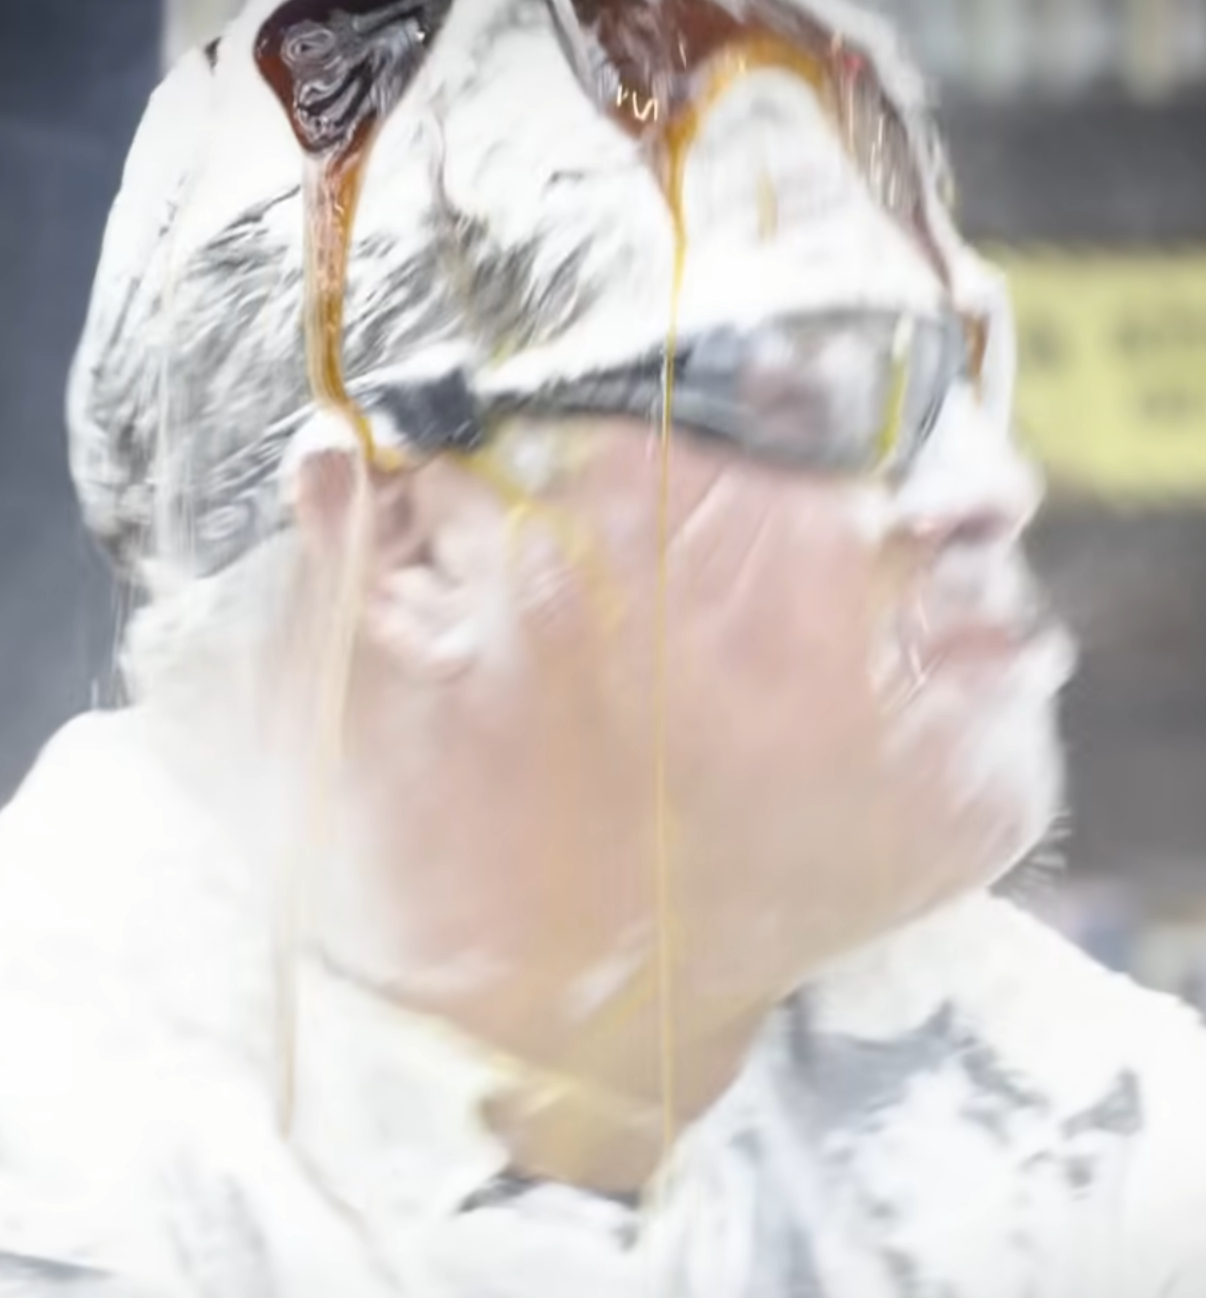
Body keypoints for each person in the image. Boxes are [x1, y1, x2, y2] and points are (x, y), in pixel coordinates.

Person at [2, 0, 1205, 1293]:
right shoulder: (76, 1168)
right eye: (830, 380)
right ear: (412, 542)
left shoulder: (1066, 1112)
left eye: (971, 373)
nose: (993, 489)